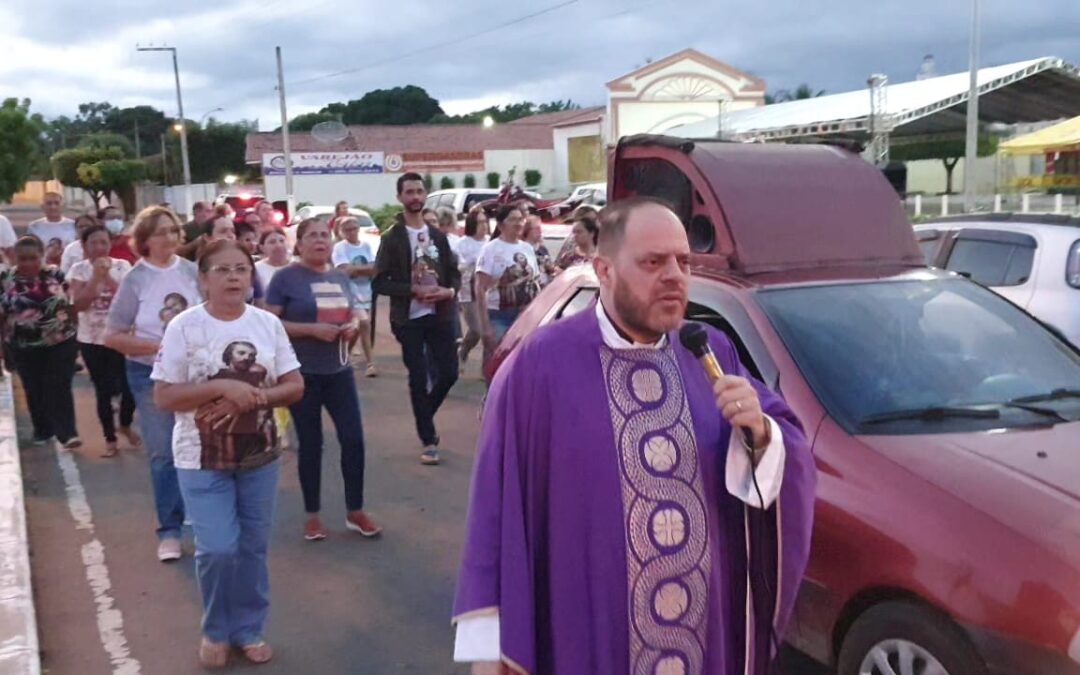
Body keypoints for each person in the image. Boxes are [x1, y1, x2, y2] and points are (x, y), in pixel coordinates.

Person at [452, 198, 816, 674]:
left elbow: (784, 452)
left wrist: (762, 435)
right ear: (604, 270)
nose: (674, 275)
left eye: (683, 262)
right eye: (653, 262)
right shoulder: (540, 366)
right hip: (589, 633)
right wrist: (492, 649)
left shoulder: (711, 353)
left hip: (702, 637)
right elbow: (498, 509)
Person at [152, 240, 303, 669]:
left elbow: (294, 386)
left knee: (253, 547)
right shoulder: (184, 327)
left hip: (260, 455)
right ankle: (216, 629)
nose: (235, 277)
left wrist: (254, 398)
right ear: (203, 280)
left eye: (242, 269)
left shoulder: (267, 325)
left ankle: (249, 628)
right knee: (218, 547)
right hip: (200, 456)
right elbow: (164, 396)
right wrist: (222, 387)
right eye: (223, 270)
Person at [265, 217, 381, 541]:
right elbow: (269, 324)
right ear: (299, 244)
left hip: (339, 371)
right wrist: (310, 330)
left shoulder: (339, 277)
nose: (320, 241)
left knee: (354, 440)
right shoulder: (285, 278)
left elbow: (355, 311)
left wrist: (355, 323)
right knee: (311, 444)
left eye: (324, 236)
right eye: (312, 236)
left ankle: (355, 511)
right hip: (301, 374)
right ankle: (312, 515)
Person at [105, 206, 202, 562]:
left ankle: (197, 512)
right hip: (149, 374)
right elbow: (112, 335)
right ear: (144, 240)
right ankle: (169, 530)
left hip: (194, 374)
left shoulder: (192, 272)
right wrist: (159, 347)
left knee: (197, 446)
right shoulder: (136, 279)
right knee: (163, 452)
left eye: (173, 230)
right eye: (160, 232)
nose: (169, 237)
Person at [372, 173, 460, 466]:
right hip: (408, 320)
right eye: (409, 192)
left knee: (449, 373)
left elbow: (454, 275)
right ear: (400, 197)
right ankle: (428, 438)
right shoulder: (393, 238)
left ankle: (424, 413)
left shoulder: (438, 237)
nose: (415, 197)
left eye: (420, 191)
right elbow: (379, 282)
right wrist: (412, 290)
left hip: (440, 316)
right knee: (418, 376)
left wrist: (447, 291)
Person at [0, 236, 80, 447]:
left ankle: (67, 433)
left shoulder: (55, 275)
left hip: (60, 341)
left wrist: (77, 333)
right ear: (15, 258)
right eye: (22, 259)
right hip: (23, 345)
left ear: (41, 256)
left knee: (59, 384)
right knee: (34, 387)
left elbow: (71, 305)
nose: (28, 263)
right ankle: (43, 428)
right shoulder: (5, 279)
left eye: (33, 258)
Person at [68, 225, 138, 457]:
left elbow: (126, 300)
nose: (99, 247)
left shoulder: (123, 267)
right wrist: (94, 278)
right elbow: (79, 305)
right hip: (91, 339)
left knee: (129, 389)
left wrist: (106, 276)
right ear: (84, 246)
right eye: (93, 243)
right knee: (103, 390)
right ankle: (110, 439)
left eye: (103, 242)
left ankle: (125, 423)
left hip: (121, 337)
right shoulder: (78, 270)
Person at [474, 205, 540, 357]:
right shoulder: (490, 249)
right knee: (498, 360)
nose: (518, 223)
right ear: (500, 225)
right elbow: (480, 288)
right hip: (499, 315)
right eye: (513, 219)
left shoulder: (527, 248)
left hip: (525, 316)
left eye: (520, 219)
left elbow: (534, 280)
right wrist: (485, 327)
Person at [331, 216, 377, 377]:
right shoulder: (340, 248)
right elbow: (344, 270)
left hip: (366, 291)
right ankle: (370, 363)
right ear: (342, 232)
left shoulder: (365, 246)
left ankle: (344, 356)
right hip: (349, 292)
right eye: (347, 230)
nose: (351, 232)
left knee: (357, 328)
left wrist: (357, 269)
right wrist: (364, 269)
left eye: (354, 228)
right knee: (364, 323)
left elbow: (374, 268)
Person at [456, 209, 489, 365]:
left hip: (487, 291)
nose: (484, 226)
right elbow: (458, 266)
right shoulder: (462, 244)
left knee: (487, 330)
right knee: (477, 329)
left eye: (485, 222)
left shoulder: (490, 242)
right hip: (468, 292)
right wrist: (469, 264)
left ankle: (486, 367)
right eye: (480, 223)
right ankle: (463, 349)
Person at [28, 192, 77, 267]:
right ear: (42, 206)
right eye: (49, 203)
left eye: (56, 203)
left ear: (62, 206)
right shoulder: (34, 227)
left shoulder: (73, 225)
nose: (53, 207)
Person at [522, 213, 555, 287]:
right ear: (528, 230)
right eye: (537, 228)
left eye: (540, 228)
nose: (540, 231)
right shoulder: (522, 251)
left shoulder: (542, 249)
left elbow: (551, 269)